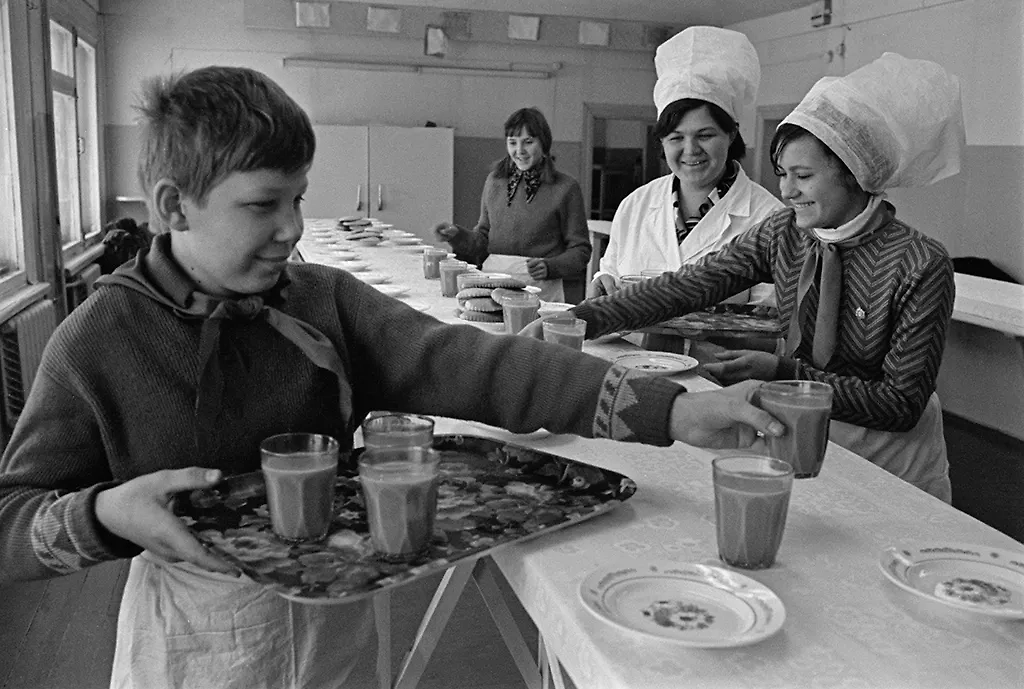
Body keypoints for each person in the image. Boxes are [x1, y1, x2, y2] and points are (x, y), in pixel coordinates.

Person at [0, 66, 783, 689]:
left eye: (298, 198)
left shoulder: (320, 303)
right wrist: (104, 513)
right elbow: (11, 519)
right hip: (198, 645)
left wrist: (671, 411)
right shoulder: (100, 339)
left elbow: (476, 365)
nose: (292, 229)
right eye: (263, 205)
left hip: (336, 627)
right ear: (175, 205)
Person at [526, 53, 965, 503]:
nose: (787, 191)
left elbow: (899, 403)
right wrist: (581, 318)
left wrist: (784, 374)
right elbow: (687, 286)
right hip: (798, 434)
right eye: (782, 175)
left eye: (803, 176)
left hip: (890, 461)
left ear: (856, 174)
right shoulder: (784, 234)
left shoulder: (919, 263)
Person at [588, 26, 782, 303]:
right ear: (662, 142)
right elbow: (611, 274)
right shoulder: (635, 206)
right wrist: (603, 282)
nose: (690, 150)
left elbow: (770, 318)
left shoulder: (769, 219)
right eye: (676, 138)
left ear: (731, 134)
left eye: (705, 135)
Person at [432, 107, 591, 303]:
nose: (519, 151)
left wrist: (551, 267)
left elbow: (580, 250)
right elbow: (482, 241)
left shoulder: (566, 187)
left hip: (540, 291)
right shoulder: (494, 182)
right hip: (491, 286)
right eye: (513, 142)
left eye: (528, 142)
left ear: (544, 143)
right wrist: (457, 235)